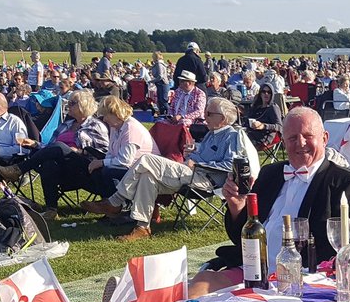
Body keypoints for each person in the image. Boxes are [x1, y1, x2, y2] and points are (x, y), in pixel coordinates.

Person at [190, 107, 350, 294]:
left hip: (303, 279)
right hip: (253, 271)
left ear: (324, 138)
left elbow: (343, 249)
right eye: (292, 138)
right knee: (200, 285)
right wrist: (237, 207)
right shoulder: (270, 174)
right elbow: (241, 237)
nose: (300, 143)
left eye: (308, 136)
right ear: (283, 142)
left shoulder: (345, 183)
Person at [83, 98, 246, 242]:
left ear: (223, 119)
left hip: (205, 179)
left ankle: (115, 201)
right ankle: (142, 227)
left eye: (209, 113)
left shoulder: (232, 136)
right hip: (190, 173)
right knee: (147, 176)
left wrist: (198, 164)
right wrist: (194, 154)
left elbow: (230, 165)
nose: (205, 116)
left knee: (146, 159)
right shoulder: (212, 133)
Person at [0, 89, 109, 220]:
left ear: (83, 105)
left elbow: (104, 152)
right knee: (50, 162)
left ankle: (19, 169)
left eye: (72, 103)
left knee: (60, 147)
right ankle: (51, 209)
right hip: (62, 168)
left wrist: (80, 151)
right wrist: (35, 144)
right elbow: (51, 148)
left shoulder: (96, 125)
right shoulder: (66, 124)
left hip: (85, 167)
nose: (68, 106)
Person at [82, 95, 155, 200]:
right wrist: (101, 162)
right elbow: (111, 153)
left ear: (116, 113)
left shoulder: (131, 128)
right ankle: (108, 204)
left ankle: (119, 205)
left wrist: (101, 162)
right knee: (98, 171)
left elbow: (125, 161)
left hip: (144, 171)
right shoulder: (116, 128)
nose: (104, 119)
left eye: (106, 115)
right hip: (130, 167)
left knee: (108, 171)